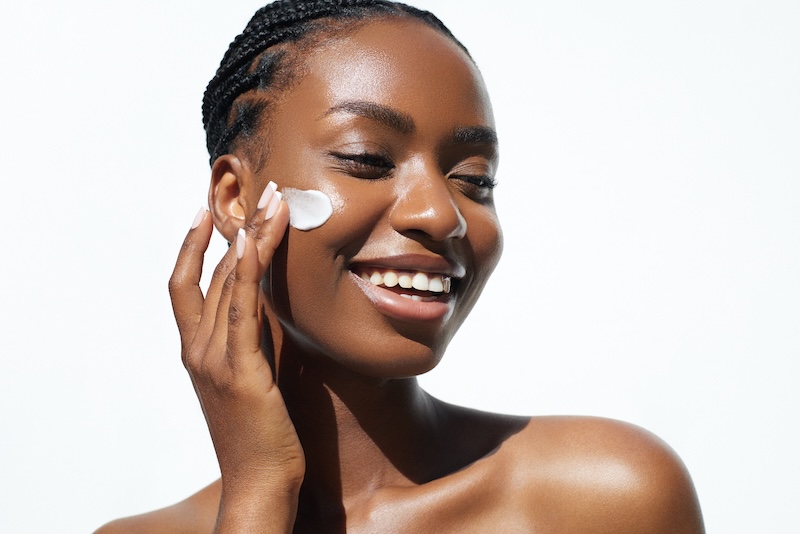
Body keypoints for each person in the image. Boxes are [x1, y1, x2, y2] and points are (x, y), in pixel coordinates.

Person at [97, 0, 704, 531]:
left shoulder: (605, 498)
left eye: (474, 178)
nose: (442, 215)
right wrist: (259, 493)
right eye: (366, 160)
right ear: (235, 199)